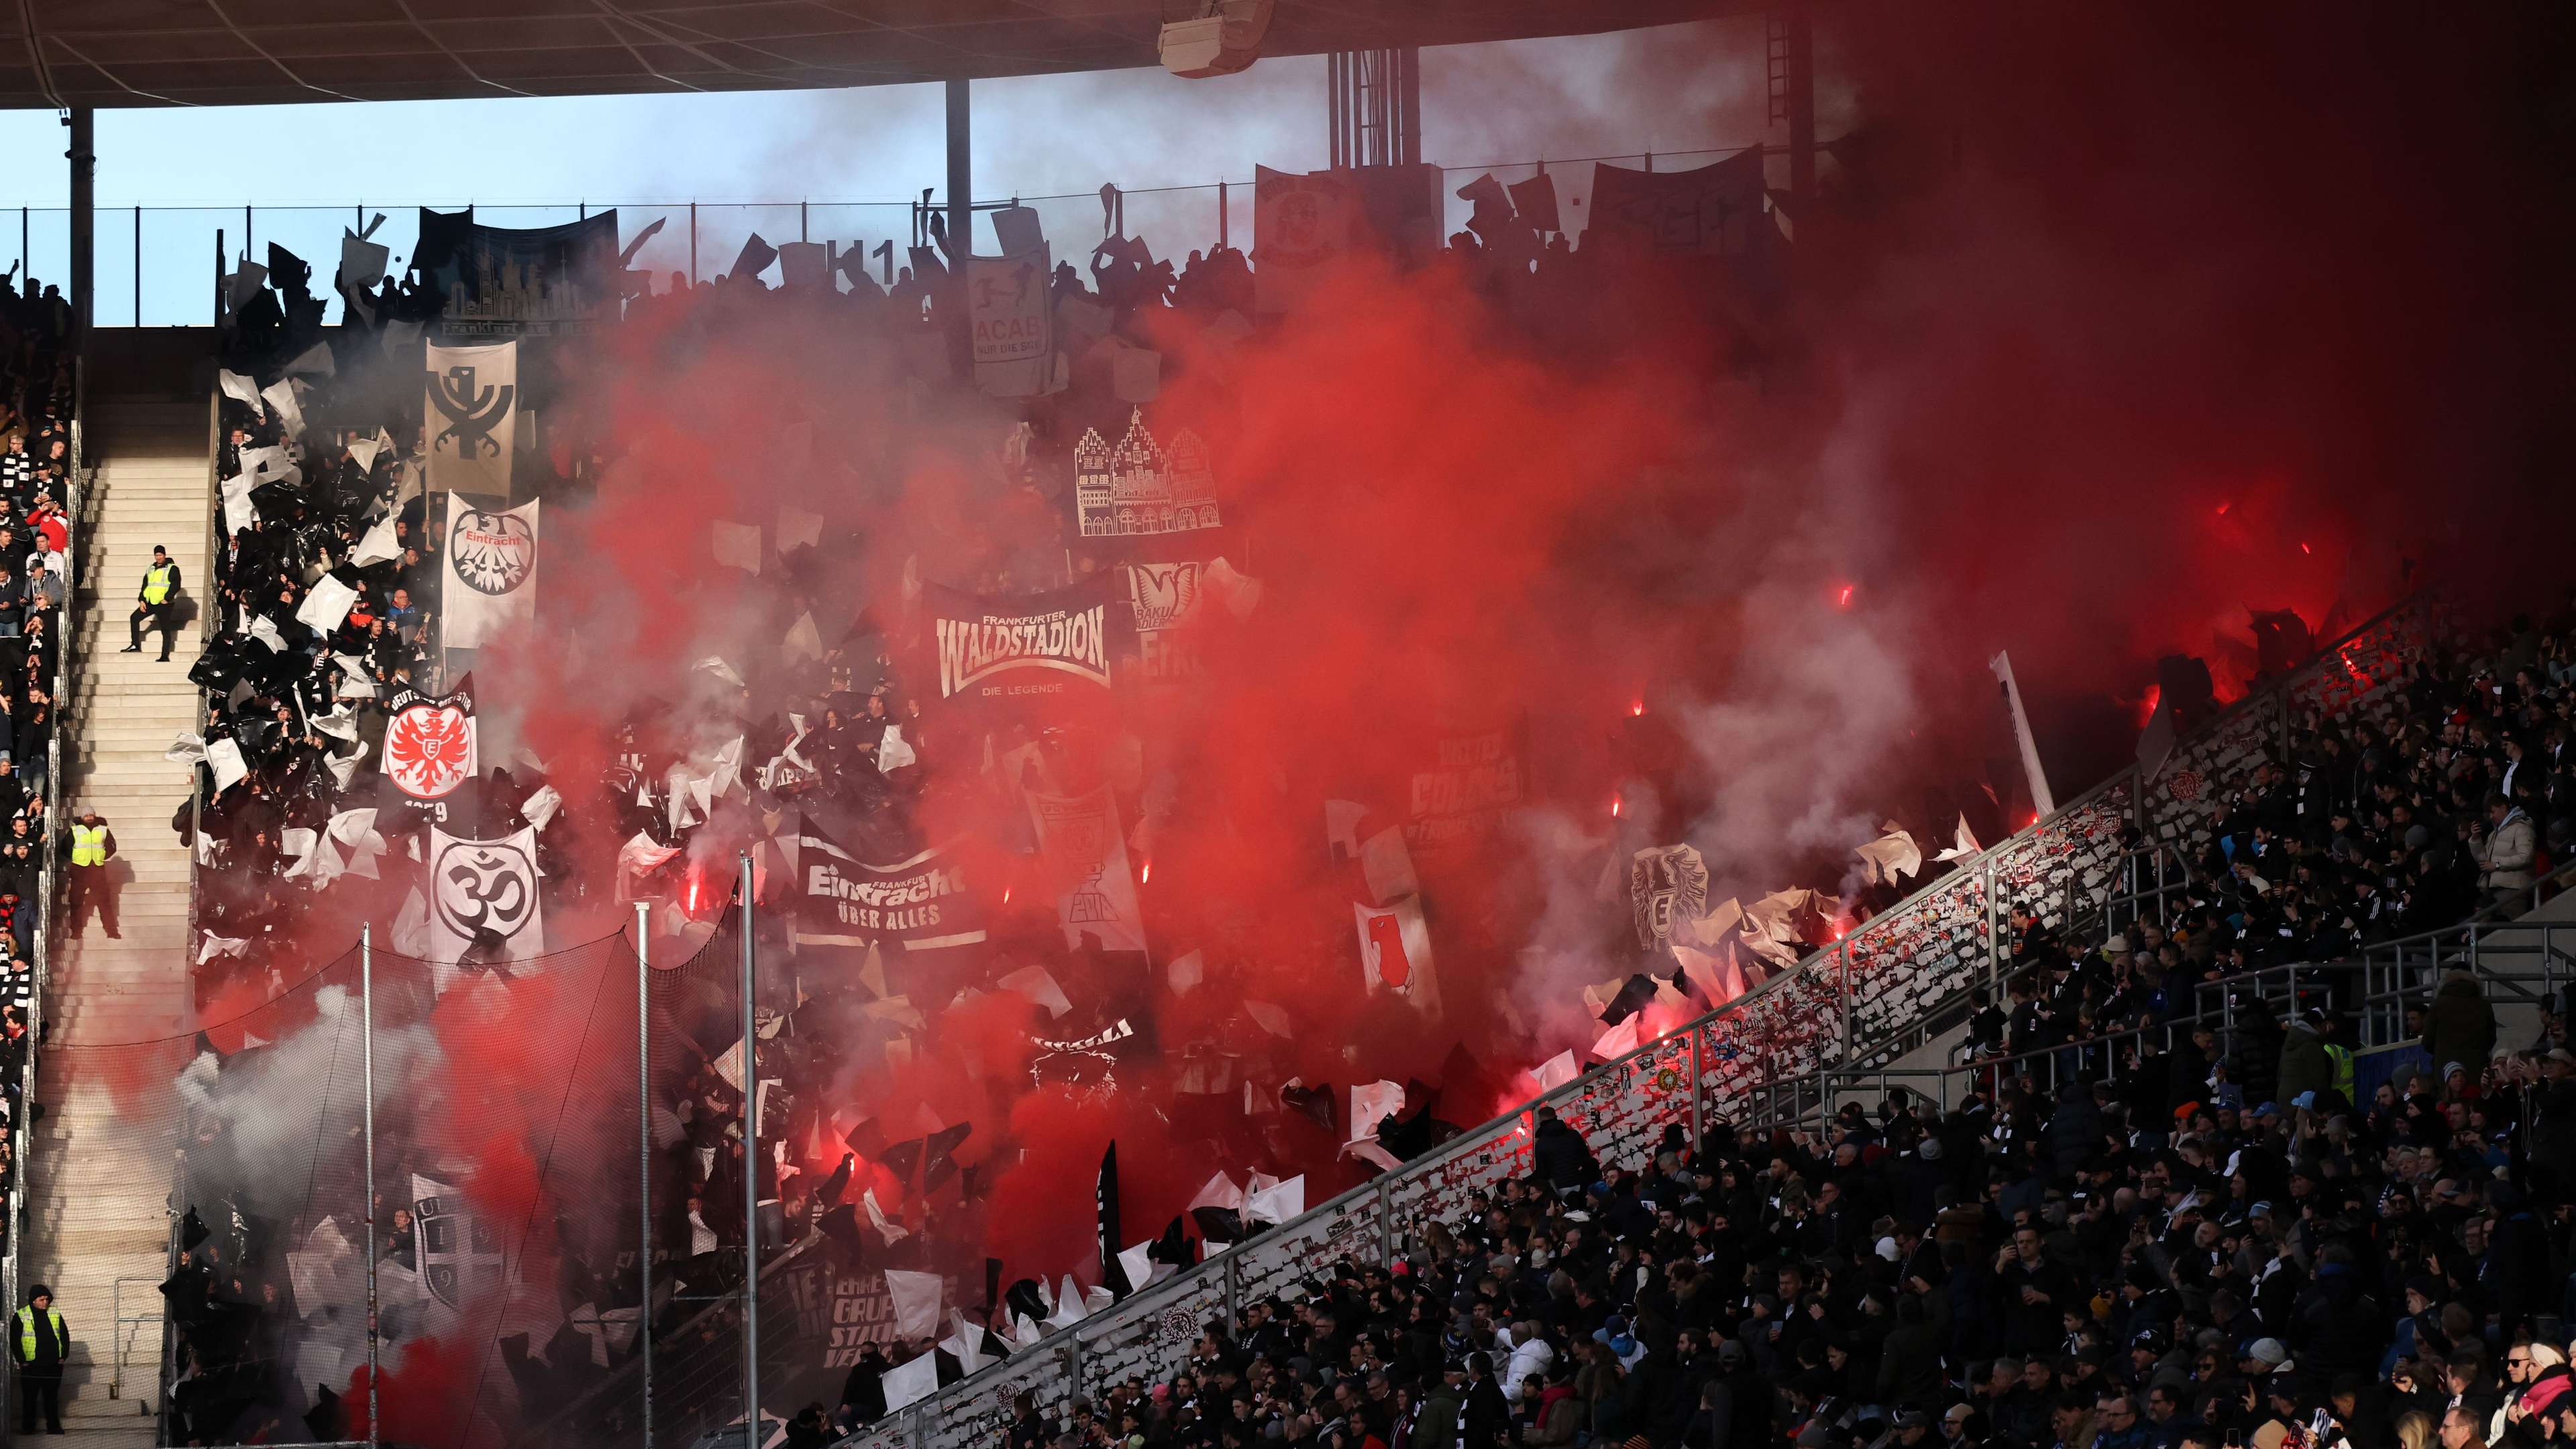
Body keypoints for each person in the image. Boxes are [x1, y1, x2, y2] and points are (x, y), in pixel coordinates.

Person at [11, 1283, 66, 1435]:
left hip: (53, 1365)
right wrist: (22, 1360)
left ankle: (54, 1427)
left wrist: (63, 1357)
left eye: (47, 1299)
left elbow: (64, 1336)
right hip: (31, 1365)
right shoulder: (21, 1315)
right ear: (33, 1300)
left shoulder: (55, 1313)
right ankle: (29, 1428)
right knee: (30, 1398)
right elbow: (15, 1341)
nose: (45, 1302)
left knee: (52, 1397)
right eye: (42, 1299)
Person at [61, 808, 115, 938]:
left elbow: (112, 846)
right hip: (79, 870)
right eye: (87, 816)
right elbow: (64, 848)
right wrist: (77, 858)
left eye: (92, 815)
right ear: (82, 817)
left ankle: (111, 930)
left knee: (104, 902)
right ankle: (76, 931)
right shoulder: (75, 830)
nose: (90, 818)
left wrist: (102, 856)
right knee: (76, 902)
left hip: (97, 870)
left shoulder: (103, 830)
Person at [123, 544, 181, 660]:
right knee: (134, 618)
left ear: (165, 555)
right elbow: (145, 586)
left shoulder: (172, 568)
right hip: (150, 602)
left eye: (160, 555)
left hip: (164, 604)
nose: (158, 557)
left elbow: (176, 585)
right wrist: (142, 600)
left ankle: (165, 655)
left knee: (165, 629)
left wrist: (167, 598)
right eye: (156, 555)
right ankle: (135, 644)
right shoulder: (151, 568)